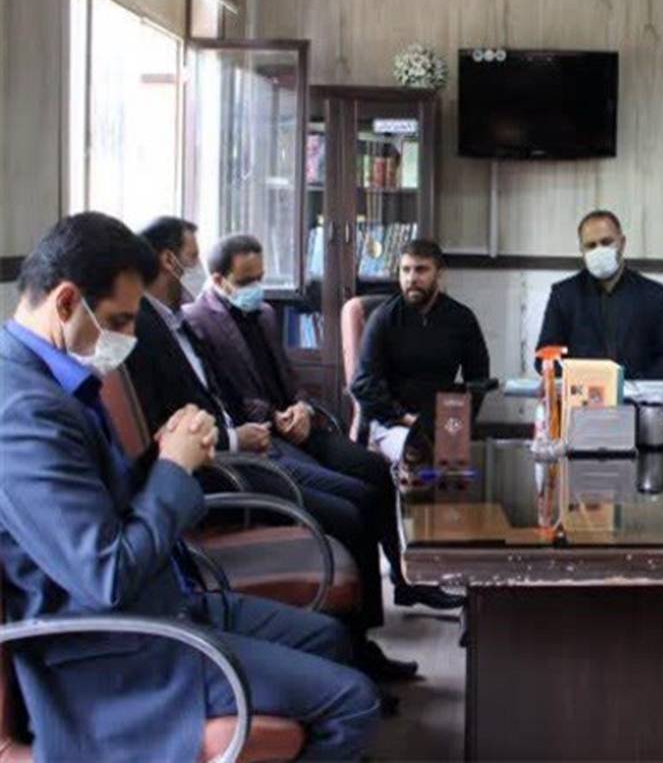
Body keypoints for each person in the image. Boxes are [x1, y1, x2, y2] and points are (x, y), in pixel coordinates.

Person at [0, 213, 380, 761]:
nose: (128, 338)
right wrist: (173, 470)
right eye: (119, 321)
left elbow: (103, 506)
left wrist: (163, 454)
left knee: (329, 637)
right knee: (355, 702)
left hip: (161, 602)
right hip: (112, 653)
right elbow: (106, 576)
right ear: (65, 303)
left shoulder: (52, 382)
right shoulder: (22, 413)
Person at [126, 217, 418, 681]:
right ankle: (354, 651)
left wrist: (298, 407)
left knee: (366, 482)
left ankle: (374, 623)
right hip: (226, 462)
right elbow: (181, 420)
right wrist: (244, 433)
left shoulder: (183, 320)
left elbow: (241, 388)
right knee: (349, 512)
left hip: (257, 438)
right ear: (168, 261)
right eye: (193, 257)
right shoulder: (150, 327)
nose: (197, 269)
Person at [183, 234, 461, 611]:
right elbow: (225, 394)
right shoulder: (197, 322)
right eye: (247, 281)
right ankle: (364, 615)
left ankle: (404, 580)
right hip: (262, 435)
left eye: (260, 278)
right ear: (218, 280)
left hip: (299, 424)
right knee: (355, 499)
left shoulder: (264, 314)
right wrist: (274, 416)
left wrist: (301, 406)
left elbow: (289, 376)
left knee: (376, 470)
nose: (256, 289)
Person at [351, 239, 490, 463]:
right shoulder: (383, 318)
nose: (412, 278)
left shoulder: (462, 319)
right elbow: (363, 384)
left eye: (421, 270)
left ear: (439, 274)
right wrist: (404, 418)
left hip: (442, 422)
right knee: (416, 453)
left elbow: (479, 379)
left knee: (455, 473)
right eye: (405, 270)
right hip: (391, 423)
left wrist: (457, 422)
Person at [535, 210, 663, 379]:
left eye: (606, 242)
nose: (599, 250)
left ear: (622, 243)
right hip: (582, 392)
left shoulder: (654, 295)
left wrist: (638, 385)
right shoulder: (563, 295)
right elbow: (544, 357)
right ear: (582, 250)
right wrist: (582, 381)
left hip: (637, 392)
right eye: (591, 246)